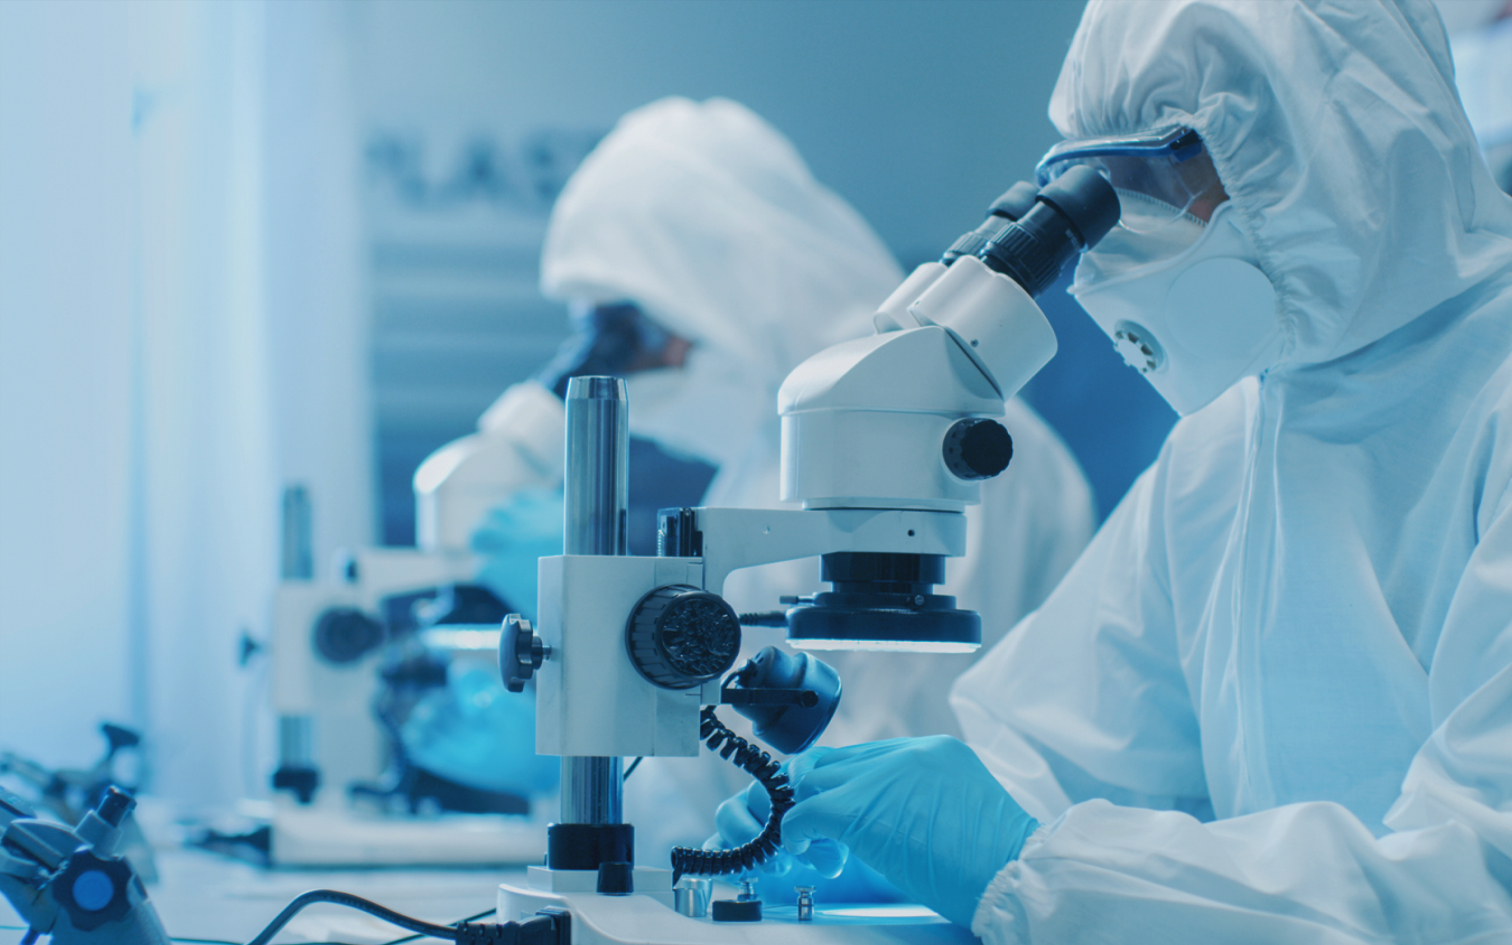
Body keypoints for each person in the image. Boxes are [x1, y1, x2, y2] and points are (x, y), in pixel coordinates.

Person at [744, 1, 1512, 940]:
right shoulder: (1229, 441)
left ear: (1333, 146)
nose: (1111, 255)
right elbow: (1049, 749)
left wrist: (1031, 864)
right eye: (1096, 192)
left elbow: (1482, 886)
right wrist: (871, 815)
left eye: (1156, 182)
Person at [491, 96, 1097, 881]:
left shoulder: (925, 429)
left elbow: (881, 782)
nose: (643, 363)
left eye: (636, 328)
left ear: (725, 274)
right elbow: (746, 791)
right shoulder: (768, 451)